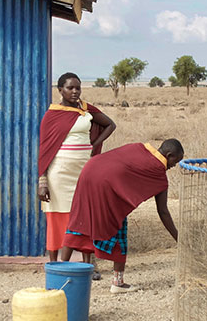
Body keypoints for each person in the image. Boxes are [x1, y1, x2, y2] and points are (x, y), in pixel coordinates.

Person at [60, 139, 184, 293]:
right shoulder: (158, 173)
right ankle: (117, 283)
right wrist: (179, 239)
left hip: (89, 171)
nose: (174, 166)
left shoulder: (139, 147)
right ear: (169, 154)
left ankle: (58, 273)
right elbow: (163, 211)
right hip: (105, 183)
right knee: (118, 224)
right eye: (175, 161)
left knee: (79, 220)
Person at [37, 72, 116, 268]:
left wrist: (93, 146)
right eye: (70, 88)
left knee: (85, 215)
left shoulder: (86, 109)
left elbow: (110, 125)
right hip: (59, 173)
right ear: (60, 90)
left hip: (83, 172)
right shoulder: (52, 115)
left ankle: (87, 265)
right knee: (56, 216)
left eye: (78, 88)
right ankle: (55, 265)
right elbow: (45, 150)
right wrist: (42, 181)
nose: (75, 91)